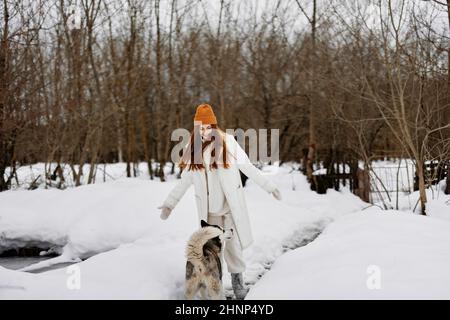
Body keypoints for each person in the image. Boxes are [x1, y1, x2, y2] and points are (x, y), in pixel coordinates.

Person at [158, 103, 281, 299]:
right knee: (211, 252)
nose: (205, 132)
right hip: (210, 213)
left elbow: (247, 167)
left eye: (208, 128)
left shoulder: (229, 142)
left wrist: (269, 186)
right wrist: (169, 203)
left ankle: (237, 281)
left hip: (229, 208)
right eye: (201, 128)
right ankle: (216, 288)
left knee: (233, 248)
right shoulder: (193, 149)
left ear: (214, 127)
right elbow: (185, 179)